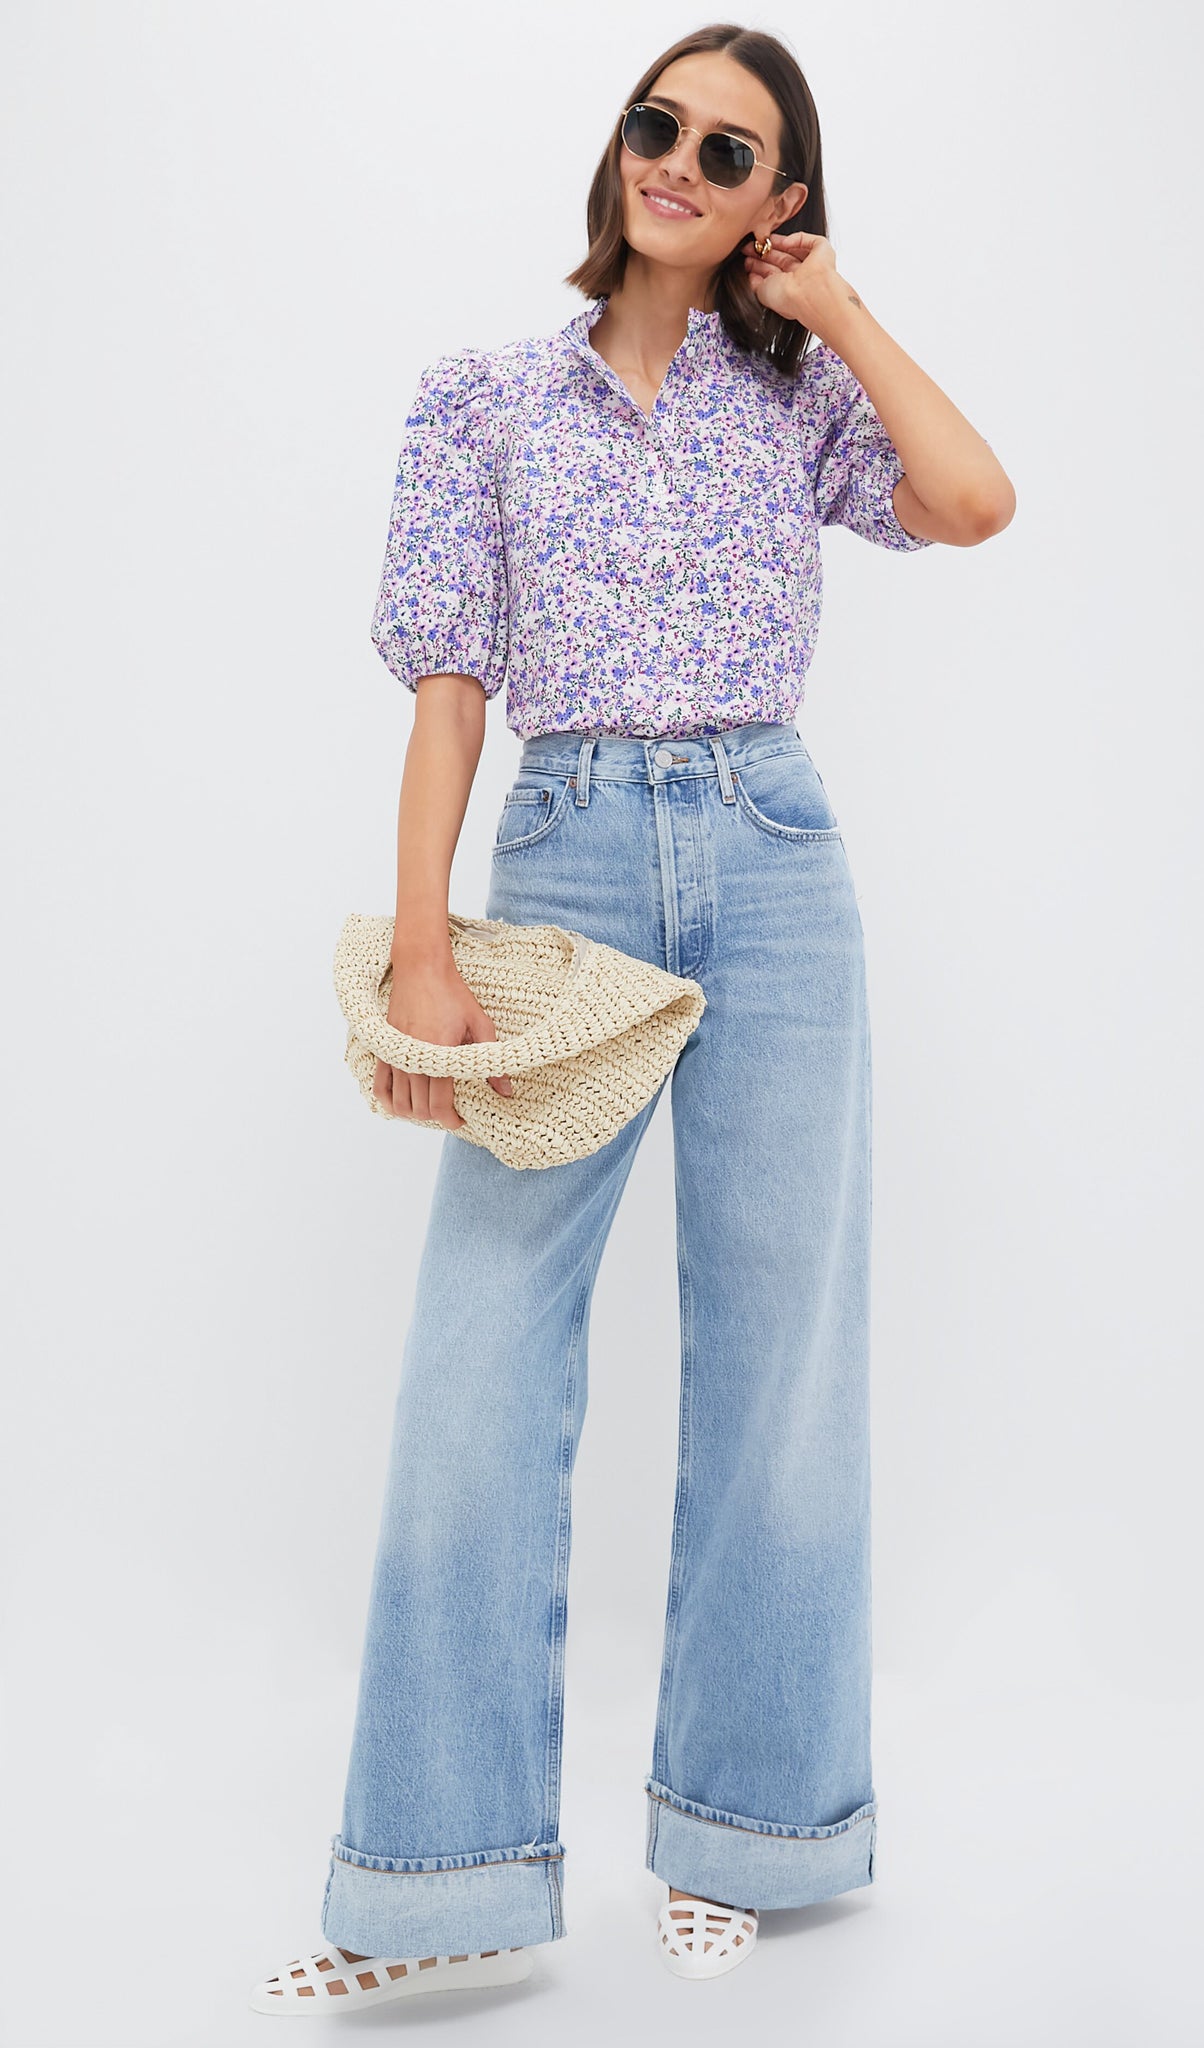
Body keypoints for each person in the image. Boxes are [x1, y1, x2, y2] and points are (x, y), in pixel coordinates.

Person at [250, 20, 1013, 2017]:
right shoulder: (482, 396)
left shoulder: (799, 397)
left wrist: (834, 306)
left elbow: (971, 499)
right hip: (567, 857)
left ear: (776, 198)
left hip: (772, 851)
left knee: (781, 1359)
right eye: (655, 123)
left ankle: (750, 1837)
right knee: (479, 1365)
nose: (675, 158)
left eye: (727, 148)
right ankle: (431, 1874)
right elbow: (448, 688)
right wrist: (425, 946)